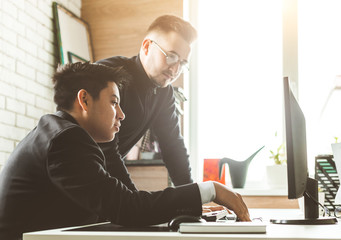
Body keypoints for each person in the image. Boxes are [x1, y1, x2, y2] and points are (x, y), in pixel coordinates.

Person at [0, 62, 250, 240]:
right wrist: (210, 189)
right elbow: (127, 207)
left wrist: (188, 206)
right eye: (113, 102)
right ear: (84, 100)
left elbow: (124, 202)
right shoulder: (67, 141)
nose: (122, 114)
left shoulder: (62, 132)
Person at [96, 15, 198, 188]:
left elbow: (173, 146)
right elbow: (105, 147)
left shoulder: (164, 93)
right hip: (61, 177)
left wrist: (192, 198)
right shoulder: (109, 74)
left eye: (182, 63)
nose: (175, 70)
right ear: (146, 47)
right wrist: (135, 202)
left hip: (96, 179)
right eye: (171, 56)